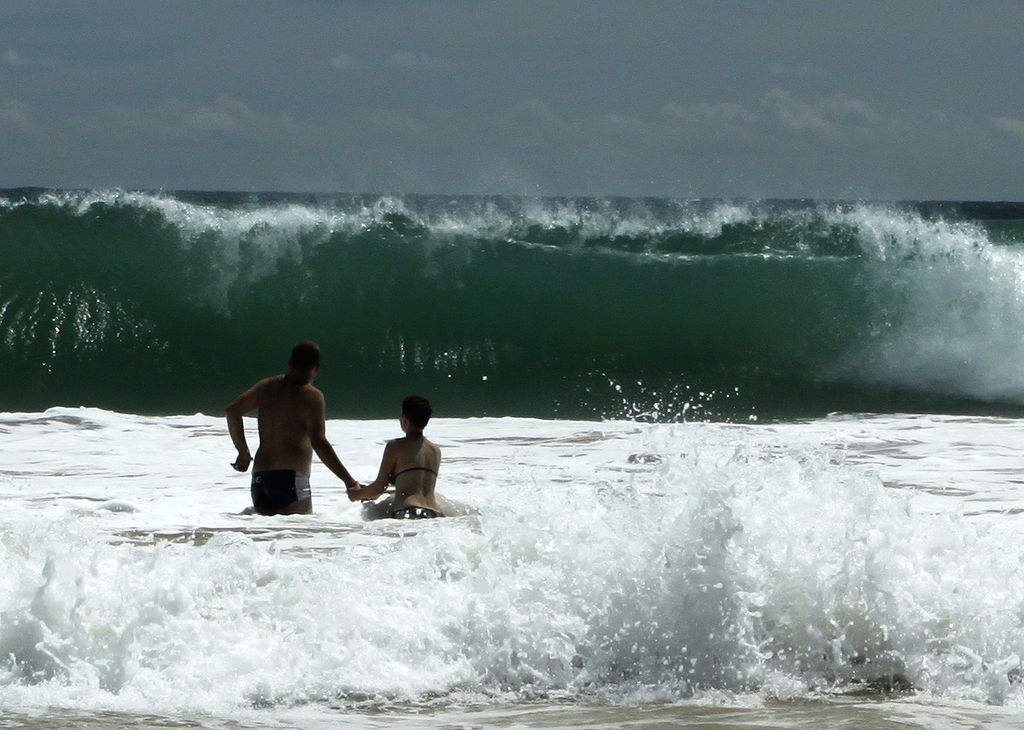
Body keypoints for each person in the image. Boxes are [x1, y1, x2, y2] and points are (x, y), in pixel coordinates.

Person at [226, 340, 358, 515]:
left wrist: (243, 451)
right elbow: (318, 442)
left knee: (265, 538)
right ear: (317, 367)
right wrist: (348, 481)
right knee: (295, 539)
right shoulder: (312, 396)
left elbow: (233, 411)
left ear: (290, 363)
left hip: (260, 481)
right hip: (291, 481)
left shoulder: (266, 387)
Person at [347, 395, 443, 518]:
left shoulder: (395, 446)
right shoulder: (435, 450)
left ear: (405, 419)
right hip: (437, 514)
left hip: (410, 512)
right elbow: (413, 486)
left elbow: (379, 488)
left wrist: (356, 494)